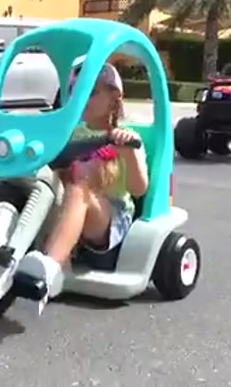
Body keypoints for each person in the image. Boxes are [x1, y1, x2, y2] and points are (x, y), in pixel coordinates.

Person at [29, 63, 149, 298]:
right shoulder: (71, 134)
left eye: (91, 92)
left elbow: (138, 189)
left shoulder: (126, 138)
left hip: (109, 219)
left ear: (113, 99)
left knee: (79, 187)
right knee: (38, 181)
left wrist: (128, 153)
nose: (81, 98)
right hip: (68, 207)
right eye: (74, 91)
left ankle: (50, 268)